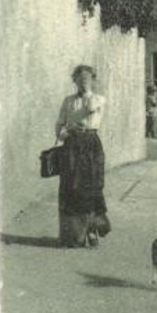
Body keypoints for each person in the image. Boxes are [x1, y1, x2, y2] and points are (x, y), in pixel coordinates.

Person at [55, 65, 111, 248]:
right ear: (74, 80)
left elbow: (91, 107)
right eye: (79, 78)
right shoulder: (68, 101)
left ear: (93, 80)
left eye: (87, 78)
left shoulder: (99, 99)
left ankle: (92, 230)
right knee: (70, 188)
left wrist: (87, 92)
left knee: (91, 188)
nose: (83, 81)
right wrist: (68, 129)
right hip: (71, 146)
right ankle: (72, 235)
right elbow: (59, 126)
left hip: (90, 146)